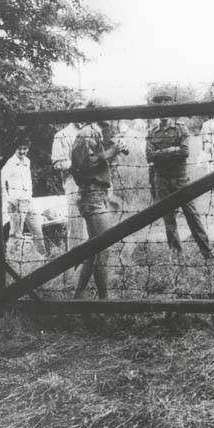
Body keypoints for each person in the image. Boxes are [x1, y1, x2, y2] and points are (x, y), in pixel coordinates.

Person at [146, 104, 213, 262]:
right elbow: (149, 156)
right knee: (168, 217)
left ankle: (206, 251)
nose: (163, 112)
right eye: (159, 107)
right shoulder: (152, 132)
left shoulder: (181, 128)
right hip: (161, 179)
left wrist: (160, 153)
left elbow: (184, 152)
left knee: (191, 214)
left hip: (180, 179)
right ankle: (176, 254)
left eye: (166, 105)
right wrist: (171, 150)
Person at [71, 119, 128, 299]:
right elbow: (84, 164)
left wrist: (117, 148)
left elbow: (98, 159)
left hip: (98, 194)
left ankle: (78, 297)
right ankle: (104, 301)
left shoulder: (97, 132)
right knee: (103, 248)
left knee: (94, 250)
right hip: (92, 195)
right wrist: (111, 152)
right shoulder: (87, 132)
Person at [51, 100, 89, 252]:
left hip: (93, 182)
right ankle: (76, 259)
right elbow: (57, 163)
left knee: (94, 221)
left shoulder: (91, 131)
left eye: (83, 111)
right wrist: (76, 165)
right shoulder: (61, 135)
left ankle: (93, 259)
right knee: (77, 223)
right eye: (77, 111)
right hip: (74, 182)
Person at [2, 140, 46, 257]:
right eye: (19, 148)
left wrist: (30, 195)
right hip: (16, 203)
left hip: (28, 201)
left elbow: (28, 180)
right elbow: (1, 182)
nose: (22, 151)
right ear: (15, 148)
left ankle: (42, 258)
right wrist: (9, 199)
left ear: (28, 148)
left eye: (25, 148)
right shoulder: (9, 162)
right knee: (16, 234)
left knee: (37, 231)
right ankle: (13, 259)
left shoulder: (27, 161)